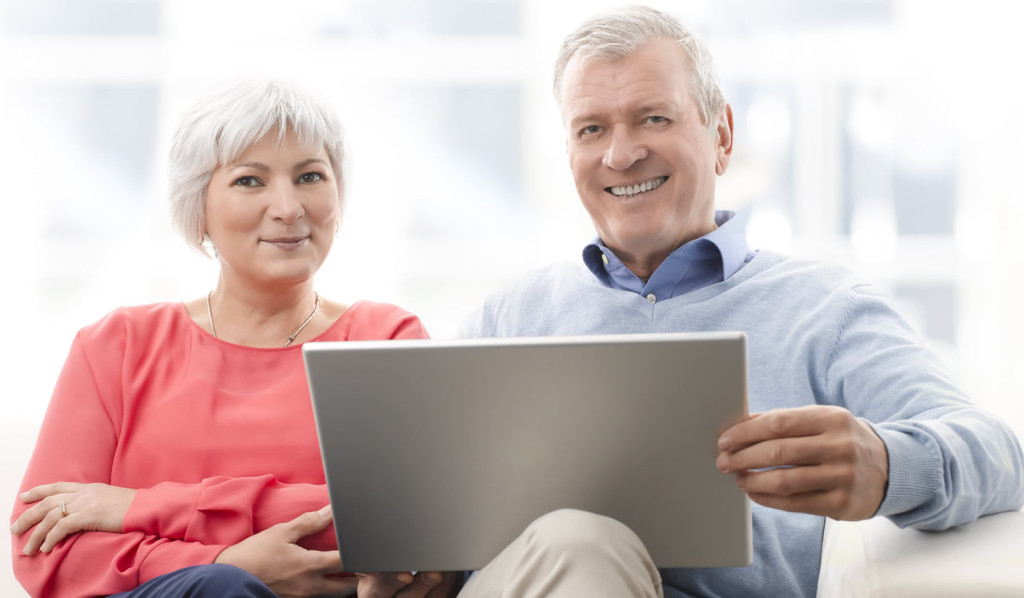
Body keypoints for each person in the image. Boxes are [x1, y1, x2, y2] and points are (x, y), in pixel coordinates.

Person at [458, 5, 1024, 597]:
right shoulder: (504, 321)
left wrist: (886, 465)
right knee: (576, 544)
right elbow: (438, 517)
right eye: (591, 129)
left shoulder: (826, 312)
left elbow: (998, 453)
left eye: (652, 118)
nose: (620, 155)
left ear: (721, 136)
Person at [9, 79, 461, 597]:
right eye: (250, 181)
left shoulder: (384, 340)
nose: (288, 207)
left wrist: (138, 508)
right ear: (197, 207)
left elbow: (410, 522)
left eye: (310, 176)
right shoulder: (117, 345)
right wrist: (227, 564)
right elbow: (44, 547)